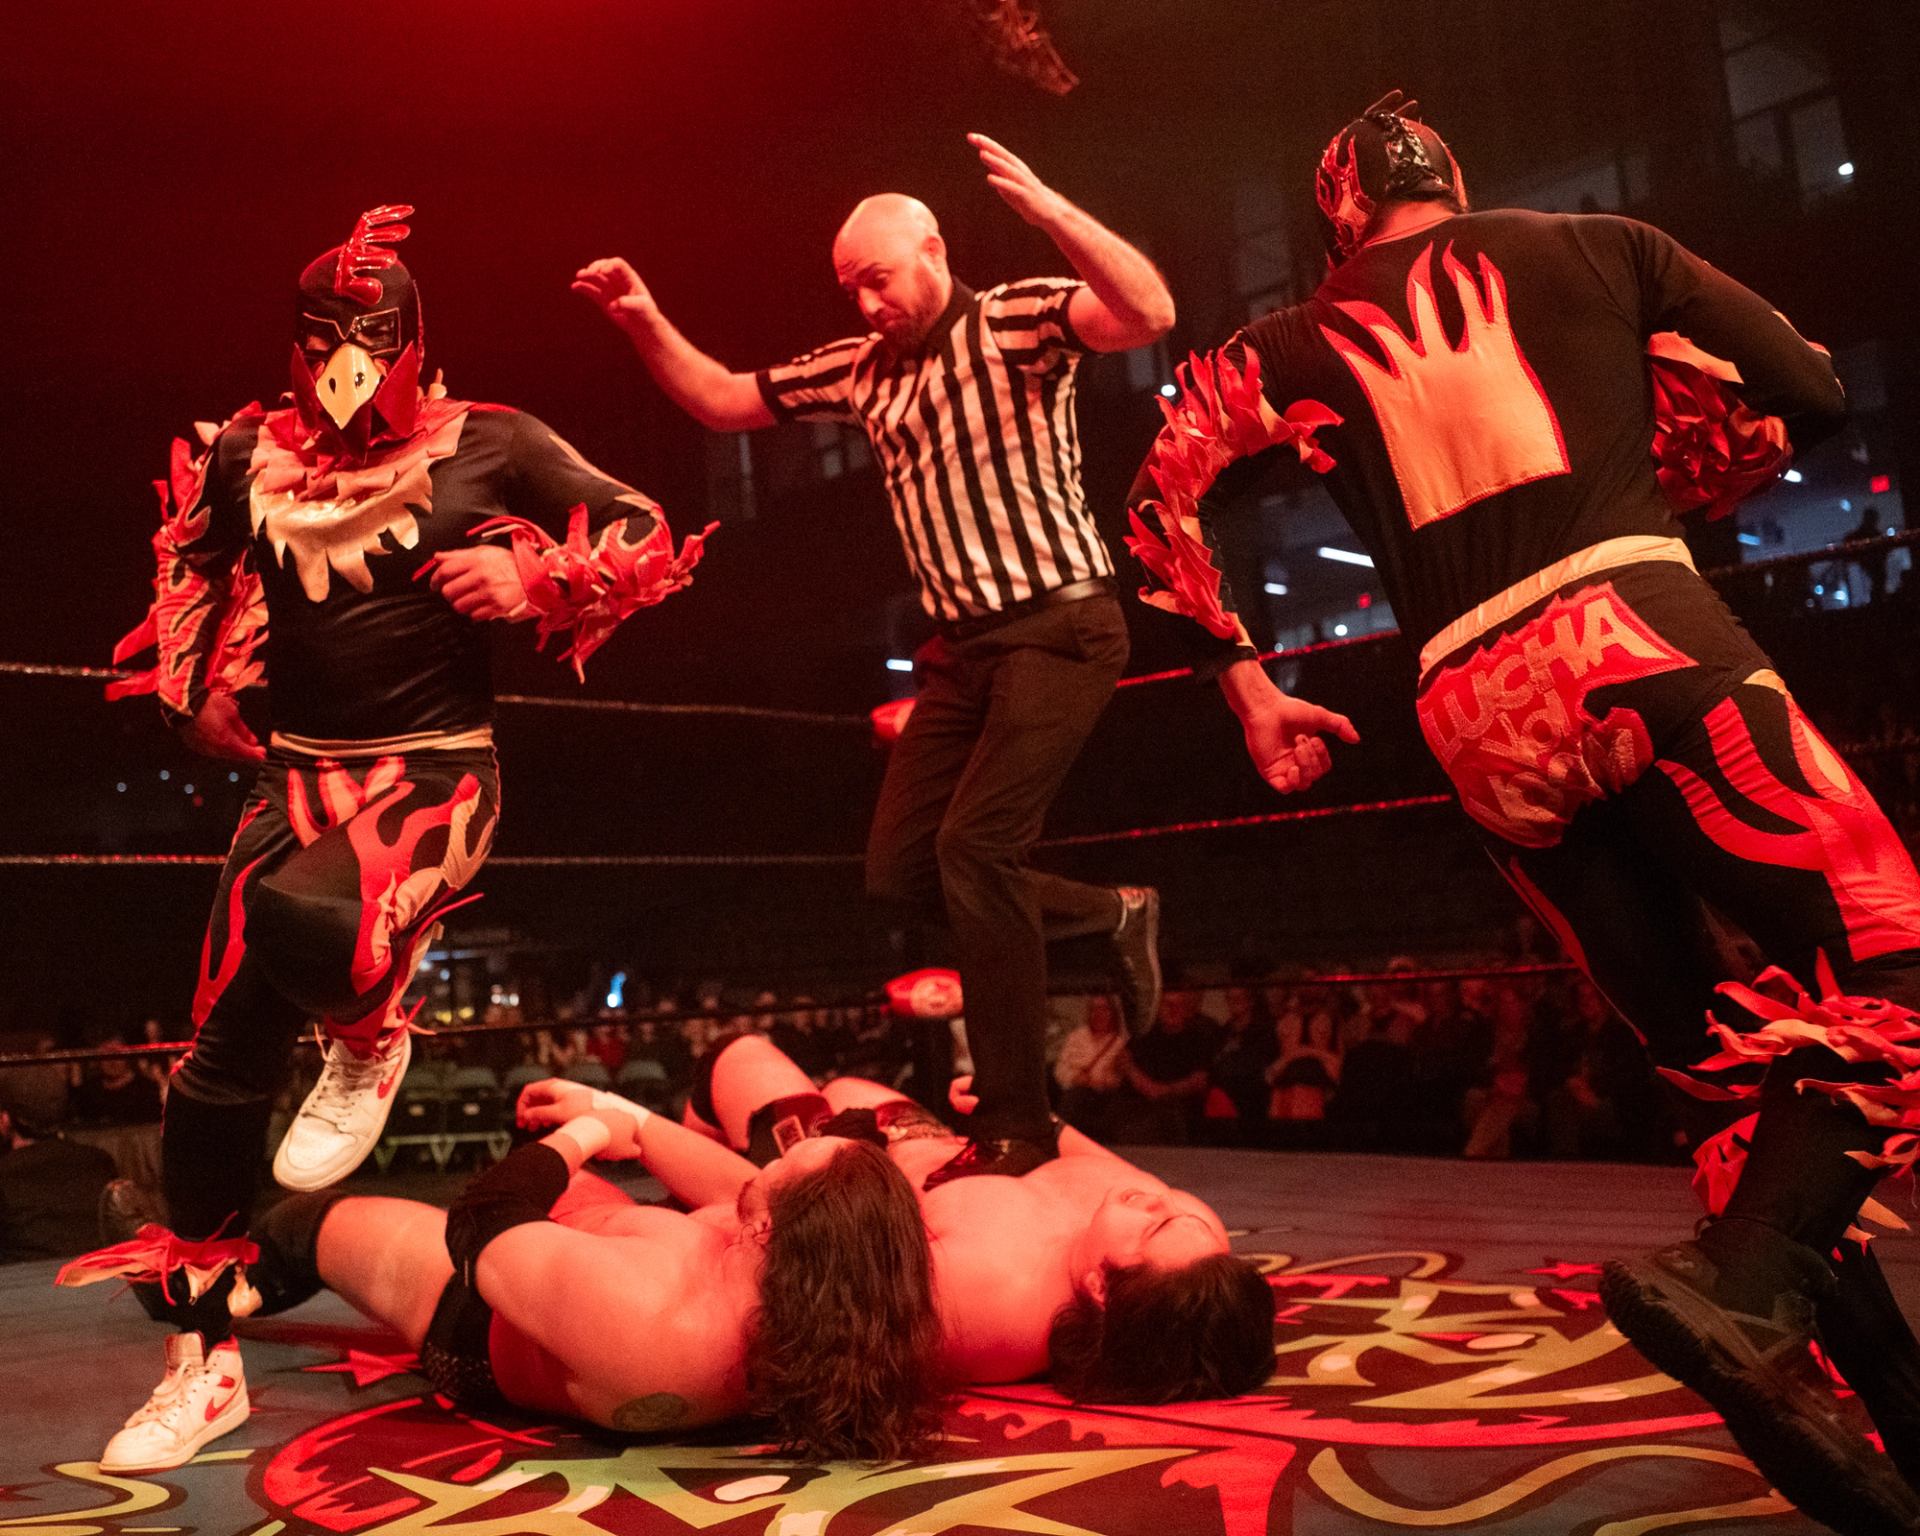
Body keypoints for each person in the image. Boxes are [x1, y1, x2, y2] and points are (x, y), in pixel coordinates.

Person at [1123, 90, 1920, 1533]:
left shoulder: (1294, 340)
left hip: (1471, 719)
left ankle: (1880, 1411)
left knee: (1722, 1072)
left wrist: (1247, 689)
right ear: (1458, 182)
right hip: (1633, 631)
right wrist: (1681, 451)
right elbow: (1806, 384)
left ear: (1342, 220)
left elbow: (1156, 495)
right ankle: (1747, 1292)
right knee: (1897, 954)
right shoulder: (1603, 245)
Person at [72, 205, 709, 1474]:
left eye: (371, 337)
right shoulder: (248, 449)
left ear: (415, 338)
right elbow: (194, 558)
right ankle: (203, 1371)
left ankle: (371, 1029)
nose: (348, 364)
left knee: (311, 920)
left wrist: (543, 582)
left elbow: (643, 526)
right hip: (293, 782)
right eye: (325, 339)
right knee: (208, 1080)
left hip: (437, 778)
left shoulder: (493, 442)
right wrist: (191, 685)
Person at [573, 133, 1181, 1186]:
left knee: (978, 854)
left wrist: (1050, 210)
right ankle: (1109, 912)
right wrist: (644, 321)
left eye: (879, 280)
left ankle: (1015, 1125)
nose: (865, 305)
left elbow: (1149, 315)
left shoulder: (1016, 321)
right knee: (900, 871)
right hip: (962, 653)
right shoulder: (858, 370)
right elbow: (724, 399)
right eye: (850, 288)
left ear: (933, 253)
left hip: (1061, 623)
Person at [70, 1082, 939, 1465]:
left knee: (303, 1227)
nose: (765, 1163)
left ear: (774, 1231)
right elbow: (720, 1182)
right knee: (573, 1175)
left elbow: (481, 1225)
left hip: (479, 1314)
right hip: (587, 1266)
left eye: (785, 1166)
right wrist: (618, 1115)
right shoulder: (836, 1293)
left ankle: (169, 1280)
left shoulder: (658, 1325)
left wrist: (584, 1139)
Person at [687, 1032, 1275, 1402]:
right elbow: (1110, 1169)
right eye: (1181, 1210)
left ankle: (706, 1143)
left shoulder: (995, 1303)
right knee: (847, 1083)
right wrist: (1038, 1123)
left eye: (1156, 1224)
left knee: (738, 1057)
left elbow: (842, 1269)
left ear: (1101, 1286)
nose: (1160, 1199)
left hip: (852, 1179)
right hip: (947, 1150)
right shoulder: (1197, 1244)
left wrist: (802, 1175)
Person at [0, 1093, 117, 1264]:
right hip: (103, 1280)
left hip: (24, 1284)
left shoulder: (5, 1173)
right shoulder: (99, 1161)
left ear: (7, 1119)